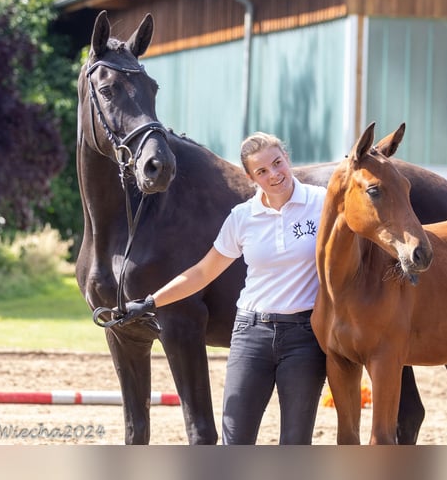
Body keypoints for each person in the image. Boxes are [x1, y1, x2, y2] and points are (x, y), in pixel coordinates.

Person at [118, 132, 327, 445]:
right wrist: (150, 302)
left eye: (277, 163)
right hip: (251, 335)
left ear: (286, 158)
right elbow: (202, 272)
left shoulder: (321, 203)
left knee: (296, 444)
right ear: (250, 176)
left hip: (303, 338)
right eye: (262, 171)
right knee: (235, 442)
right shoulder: (243, 217)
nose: (274, 175)